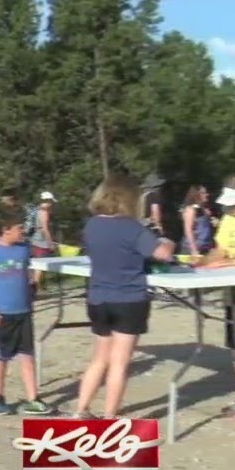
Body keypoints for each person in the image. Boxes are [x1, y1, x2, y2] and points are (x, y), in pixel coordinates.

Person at [74, 174, 176, 419]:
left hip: (98, 297)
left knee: (99, 360)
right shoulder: (132, 228)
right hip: (128, 298)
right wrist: (168, 241)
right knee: (119, 363)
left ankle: (81, 410)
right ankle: (110, 416)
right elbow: (162, 254)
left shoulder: (92, 225)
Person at [0, 212, 50, 416]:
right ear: (6, 230)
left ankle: (33, 397)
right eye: (18, 228)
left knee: (27, 355)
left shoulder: (24, 250)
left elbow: (34, 265)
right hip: (3, 313)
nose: (22, 231)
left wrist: (33, 283)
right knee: (2, 356)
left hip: (23, 311)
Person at [197, 176, 235, 414]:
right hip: (234, 290)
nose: (230, 208)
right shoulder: (228, 219)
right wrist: (203, 261)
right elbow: (221, 249)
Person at [28, 191, 58, 292]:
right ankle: (35, 288)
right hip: (42, 241)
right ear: (47, 201)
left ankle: (36, 286)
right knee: (40, 266)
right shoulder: (44, 212)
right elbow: (45, 229)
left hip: (34, 239)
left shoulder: (36, 210)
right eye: (50, 202)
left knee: (35, 264)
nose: (51, 204)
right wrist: (50, 242)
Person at [180, 185, 215, 260]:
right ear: (196, 195)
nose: (207, 195)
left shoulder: (204, 209)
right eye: (203, 193)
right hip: (193, 248)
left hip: (206, 247)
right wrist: (194, 249)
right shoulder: (190, 209)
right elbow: (188, 230)